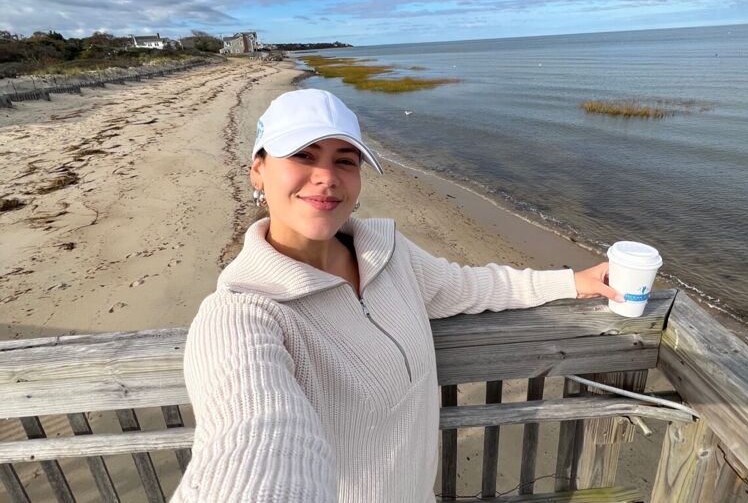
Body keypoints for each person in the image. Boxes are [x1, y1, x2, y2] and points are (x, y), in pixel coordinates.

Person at [171, 89, 623, 502]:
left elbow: (468, 286)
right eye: (302, 155)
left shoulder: (387, 252)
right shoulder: (241, 314)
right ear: (258, 170)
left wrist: (570, 282)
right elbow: (255, 437)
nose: (326, 176)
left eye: (345, 160)